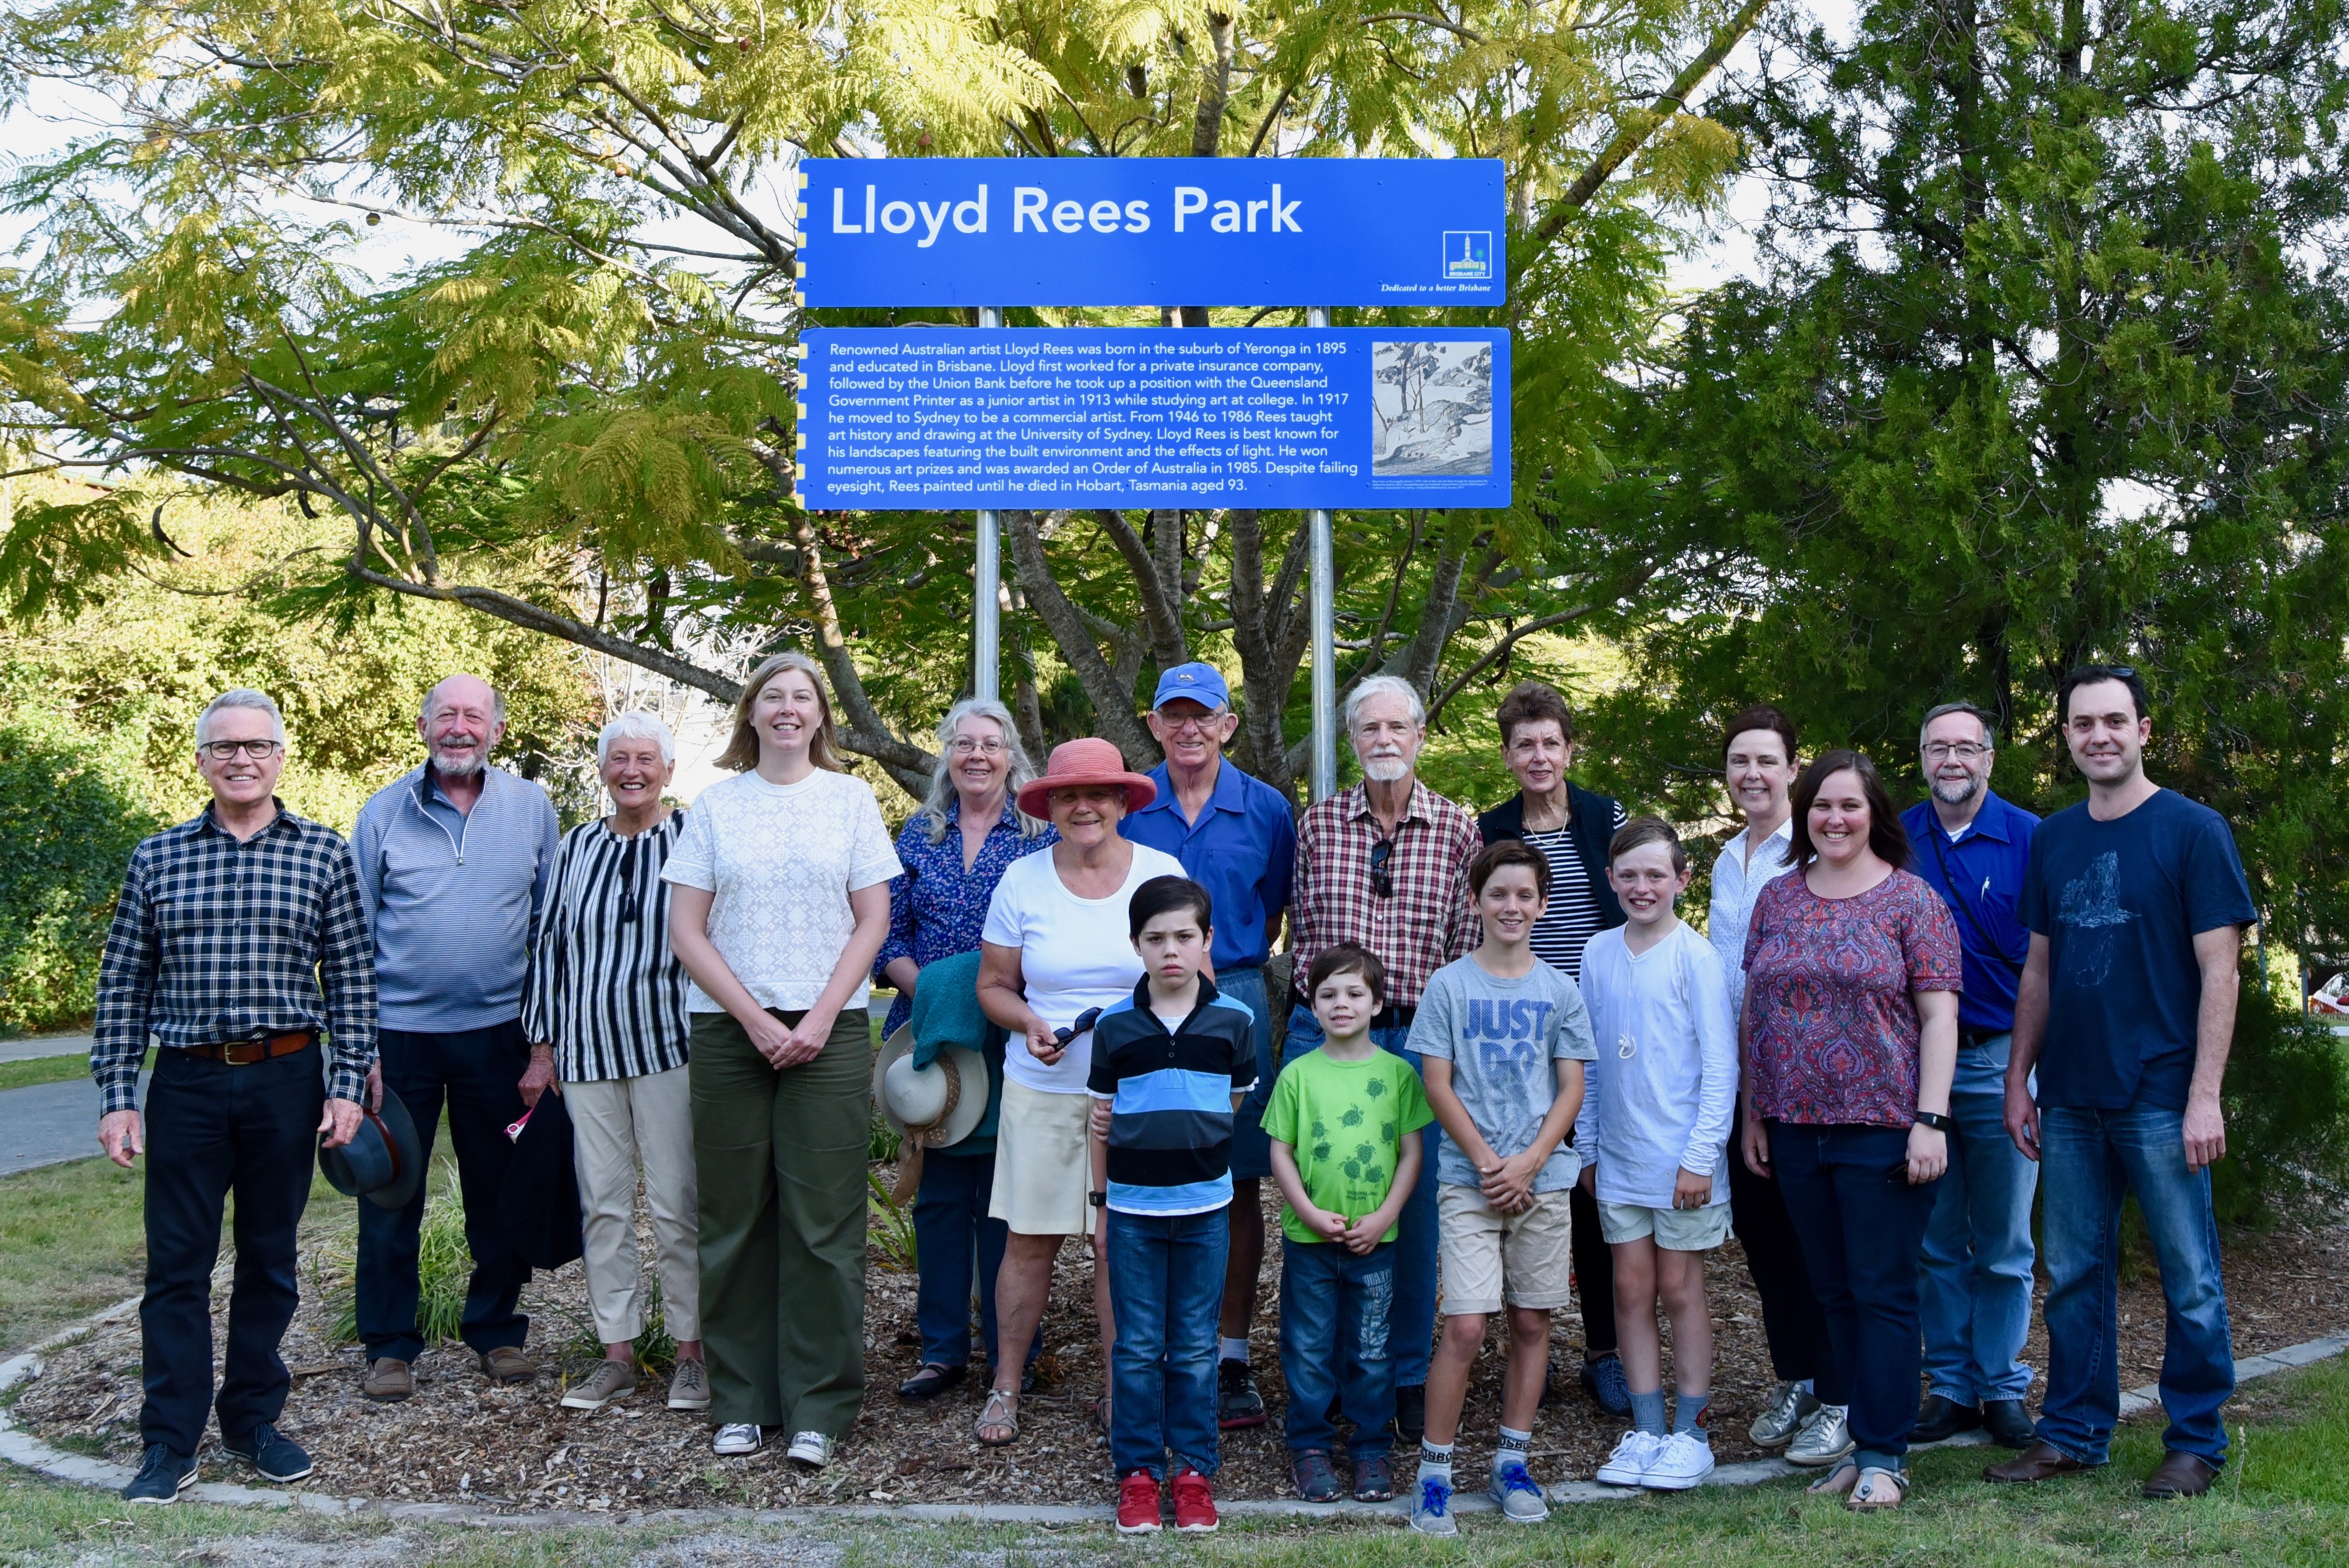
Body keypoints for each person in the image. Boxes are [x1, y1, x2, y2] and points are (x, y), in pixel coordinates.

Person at [95, 690, 376, 1503]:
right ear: (201, 761)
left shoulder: (323, 855)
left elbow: (354, 980)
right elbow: (123, 982)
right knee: (176, 1269)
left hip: (286, 1078)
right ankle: (168, 1443)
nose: (241, 758)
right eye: (224, 747)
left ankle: (252, 1420)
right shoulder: (158, 857)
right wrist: (120, 1093)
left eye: (257, 745)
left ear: (282, 756)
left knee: (270, 1261)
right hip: (185, 1082)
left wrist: (346, 1084)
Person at [1985, 666, 2256, 1500]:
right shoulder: (2056, 837)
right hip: (2069, 1092)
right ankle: (2072, 1431)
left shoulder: (2192, 830)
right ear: (2065, 735)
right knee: (2070, 1271)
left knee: (2190, 1274)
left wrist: (2205, 1093)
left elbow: (2222, 969)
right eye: (2080, 723)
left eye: (2113, 720)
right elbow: (2039, 967)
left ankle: (2195, 1440)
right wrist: (2018, 1079)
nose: (2097, 735)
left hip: (2161, 1089)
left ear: (2144, 729)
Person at [663, 651, 902, 1465]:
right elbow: (686, 931)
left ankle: (819, 1407)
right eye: (774, 695)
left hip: (828, 1030)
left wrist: (822, 1015)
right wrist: (757, 1018)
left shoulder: (851, 799)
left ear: (821, 717)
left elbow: (872, 919)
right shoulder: (716, 805)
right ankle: (742, 1399)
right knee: (733, 1218)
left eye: (803, 696)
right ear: (752, 715)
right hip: (732, 1031)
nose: (789, 707)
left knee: (824, 1223)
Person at [1741, 749, 1961, 1511]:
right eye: (1821, 806)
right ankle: (1859, 1444)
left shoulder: (1911, 899)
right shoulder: (1776, 898)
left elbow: (1939, 1017)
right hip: (1795, 1128)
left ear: (1875, 814)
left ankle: (1885, 1454)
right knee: (1831, 1294)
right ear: (1803, 815)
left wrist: (1930, 1121)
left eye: (1849, 805)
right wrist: (1752, 1112)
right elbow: (1755, 1010)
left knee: (1883, 1294)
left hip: (1883, 1130)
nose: (1834, 818)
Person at [350, 674, 560, 1402]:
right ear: (423, 726)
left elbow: (549, 931)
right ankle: (388, 1346)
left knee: (498, 1192)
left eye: (475, 715)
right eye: (447, 715)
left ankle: (497, 1331)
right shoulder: (383, 812)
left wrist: (543, 1044)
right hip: (399, 1038)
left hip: (499, 1035)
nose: (460, 727)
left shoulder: (532, 808)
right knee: (387, 1193)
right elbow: (353, 937)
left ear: (497, 730)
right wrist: (362, 1049)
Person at [974, 738, 1186, 1447]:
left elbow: (1194, 981)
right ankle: (1006, 1385)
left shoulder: (1161, 873)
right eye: (1069, 795)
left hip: (1138, 1095)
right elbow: (994, 985)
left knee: (1115, 1244)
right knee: (1028, 1241)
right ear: (1051, 808)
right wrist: (1030, 1020)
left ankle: (1121, 1391)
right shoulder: (1022, 880)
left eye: (1099, 793)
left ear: (1124, 801)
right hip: (1043, 1086)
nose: (1085, 806)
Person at [1287, 674, 1480, 1442]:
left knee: (1412, 1211)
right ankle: (1329, 1374)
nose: (1386, 740)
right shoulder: (1319, 825)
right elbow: (1301, 932)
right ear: (1352, 740)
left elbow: (1464, 943)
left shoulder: (1455, 828)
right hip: (1328, 1037)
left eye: (1399, 726)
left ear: (1421, 735)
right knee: (1325, 1201)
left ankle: (1401, 1372)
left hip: (1416, 1040)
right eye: (1370, 729)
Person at [1119, 662, 1295, 1431]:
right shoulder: (1132, 807)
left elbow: (1276, 903)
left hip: (1235, 997)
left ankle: (1227, 1357)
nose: (1189, 728)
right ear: (1154, 724)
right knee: (1147, 1179)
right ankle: (1157, 1356)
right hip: (1143, 1003)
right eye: (1173, 715)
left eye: (1204, 715)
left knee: (1236, 1183)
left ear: (1228, 724)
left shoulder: (1267, 808)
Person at [1407, 841, 1596, 1536]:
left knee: (1531, 1320)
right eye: (1498, 894)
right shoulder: (1450, 986)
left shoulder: (1559, 988)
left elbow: (1572, 1084)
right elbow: (1436, 1081)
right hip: (1469, 1180)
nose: (1511, 906)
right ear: (1474, 901)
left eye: (1525, 895)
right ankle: (1434, 1474)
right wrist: (1491, 1161)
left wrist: (1530, 1160)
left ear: (1543, 905)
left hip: (1541, 1183)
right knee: (1463, 1323)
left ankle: (1512, 1461)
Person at [521, 711, 705, 1415]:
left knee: (677, 1203)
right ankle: (617, 1353)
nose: (632, 770)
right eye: (619, 758)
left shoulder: (692, 836)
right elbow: (550, 947)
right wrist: (542, 1046)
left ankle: (691, 1354)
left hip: (670, 1048)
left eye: (646, 758)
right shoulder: (575, 847)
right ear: (603, 770)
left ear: (667, 770)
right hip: (588, 1052)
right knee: (602, 1204)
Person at [873, 698, 1055, 1402]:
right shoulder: (916, 836)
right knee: (942, 1197)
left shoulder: (1040, 838)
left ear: (1013, 755)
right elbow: (887, 935)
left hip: (1012, 1032)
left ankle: (1014, 1351)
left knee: (1007, 1196)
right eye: (964, 743)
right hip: (930, 1035)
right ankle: (943, 1348)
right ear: (947, 753)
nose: (977, 755)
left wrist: (986, 999)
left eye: (992, 743)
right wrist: (942, 997)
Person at [1476, 679, 1634, 1415]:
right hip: (1519, 1033)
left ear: (1570, 748)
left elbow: (1642, 897)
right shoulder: (1489, 829)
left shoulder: (1606, 816)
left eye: (1551, 742)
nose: (1538, 756)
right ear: (1507, 755)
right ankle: (1523, 1358)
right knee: (1523, 1188)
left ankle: (1606, 1350)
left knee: (1595, 1189)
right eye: (1524, 744)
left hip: (1602, 1029)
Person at [1089, 877, 1258, 1535]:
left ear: (1207, 940)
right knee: (1135, 1347)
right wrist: (1102, 1205)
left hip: (1204, 1207)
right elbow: (1099, 1116)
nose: (1171, 950)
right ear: (1136, 944)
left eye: (1185, 936)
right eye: (1155, 938)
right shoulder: (1114, 1026)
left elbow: (1233, 1101)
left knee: (1193, 1345)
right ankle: (1136, 1472)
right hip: (1132, 1211)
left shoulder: (1233, 1022)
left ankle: (1192, 1470)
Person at [1580, 818, 1737, 1493]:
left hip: (1682, 1163)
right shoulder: (1596, 951)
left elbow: (1720, 1066)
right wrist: (1587, 1145)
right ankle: (1645, 1427)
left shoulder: (1697, 958)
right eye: (1629, 875)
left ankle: (1691, 1430)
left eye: (1656, 874)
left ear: (1682, 879)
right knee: (1629, 1287)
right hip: (1618, 1158)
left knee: (1679, 1288)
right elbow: (1584, 1059)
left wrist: (1700, 1157)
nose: (1643, 887)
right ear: (1611, 880)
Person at [1900, 701, 2039, 1449]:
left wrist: (2030, 1068)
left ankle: (2002, 1385)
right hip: (1917, 1068)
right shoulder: (1896, 837)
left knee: (2007, 1240)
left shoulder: (2030, 838)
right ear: (1921, 758)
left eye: (1966, 747)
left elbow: (2049, 962)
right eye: (1937, 748)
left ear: (1989, 757)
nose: (1952, 760)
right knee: (1935, 1237)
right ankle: (1950, 1383)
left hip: (2000, 1060)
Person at [1707, 704, 1837, 1458]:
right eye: (1738, 762)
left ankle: (1836, 1386)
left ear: (1794, 767)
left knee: (1814, 1235)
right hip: (1738, 1075)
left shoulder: (1814, 851)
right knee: (1764, 1239)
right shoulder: (1729, 857)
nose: (1751, 774)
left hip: (1803, 1075)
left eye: (1766, 760)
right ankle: (1794, 1373)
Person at [1263, 944, 1432, 1507]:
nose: (1341, 1004)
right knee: (1308, 1347)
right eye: (1329, 994)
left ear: (1378, 1003)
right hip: (1309, 1240)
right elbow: (1280, 1152)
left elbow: (1412, 1155)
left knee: (1371, 1348)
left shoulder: (1399, 1075)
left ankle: (1369, 1449)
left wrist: (1385, 1216)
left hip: (1375, 1241)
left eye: (1355, 993)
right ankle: (1310, 1447)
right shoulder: (1297, 1074)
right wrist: (1308, 1212)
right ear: (1310, 1001)